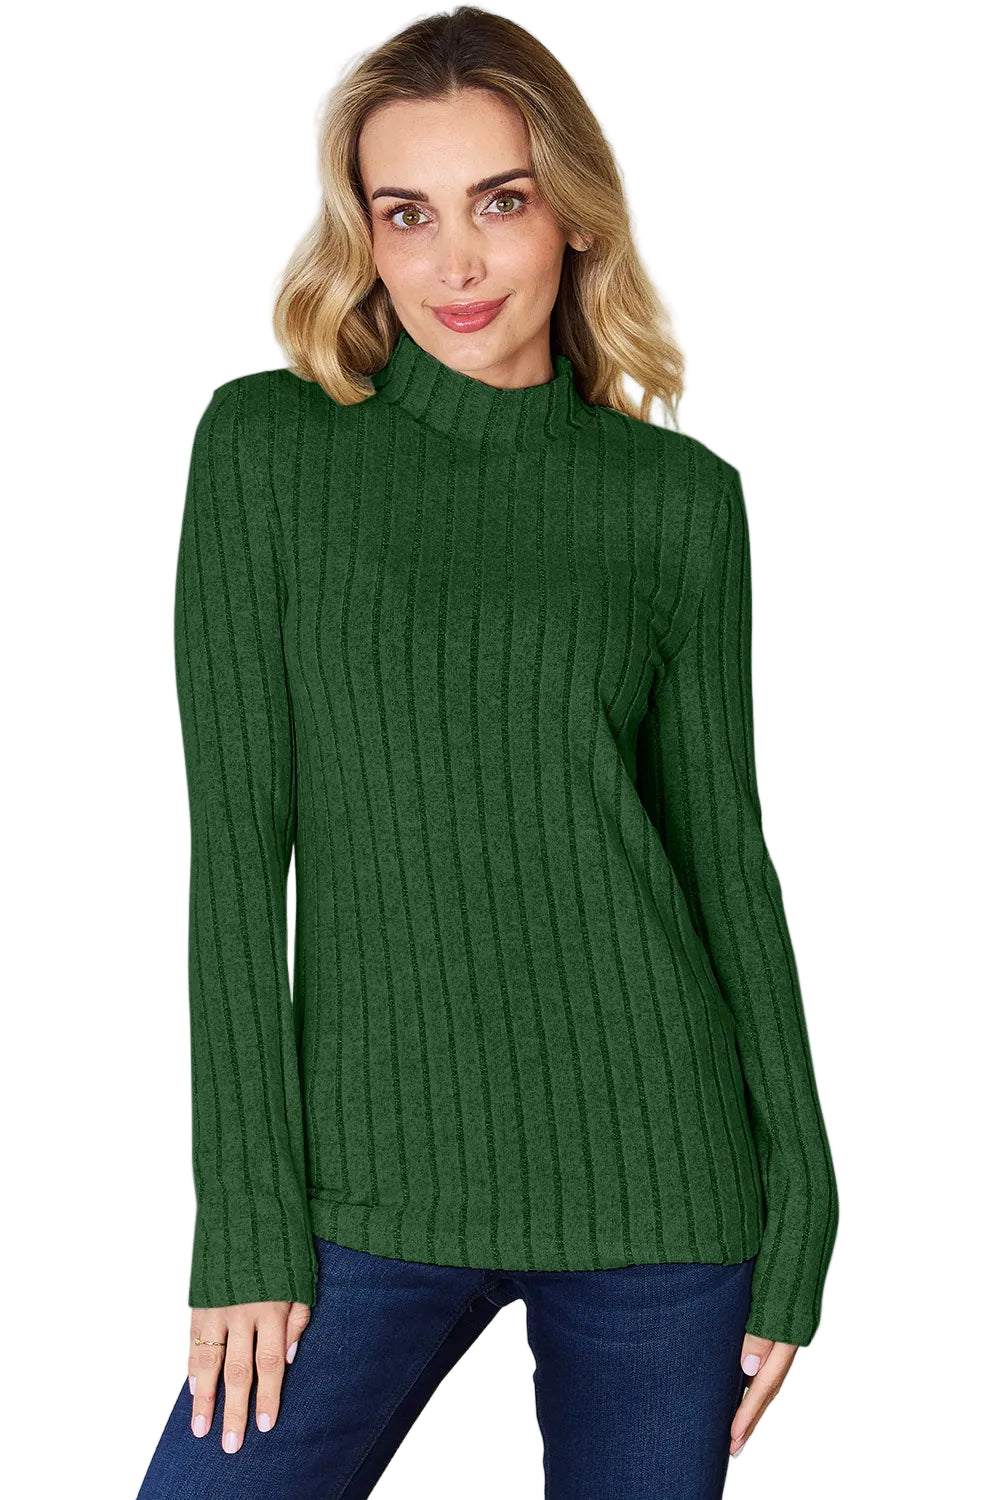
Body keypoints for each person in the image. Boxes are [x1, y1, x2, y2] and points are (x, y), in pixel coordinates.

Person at [137, 7, 839, 1497]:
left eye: (499, 202)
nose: (455, 262)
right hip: (358, 1191)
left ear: (572, 213)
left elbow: (727, 863)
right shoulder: (268, 453)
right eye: (408, 213)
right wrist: (244, 1219)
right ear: (364, 236)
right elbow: (232, 864)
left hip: (662, 1182)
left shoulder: (679, 503)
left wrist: (806, 1199)